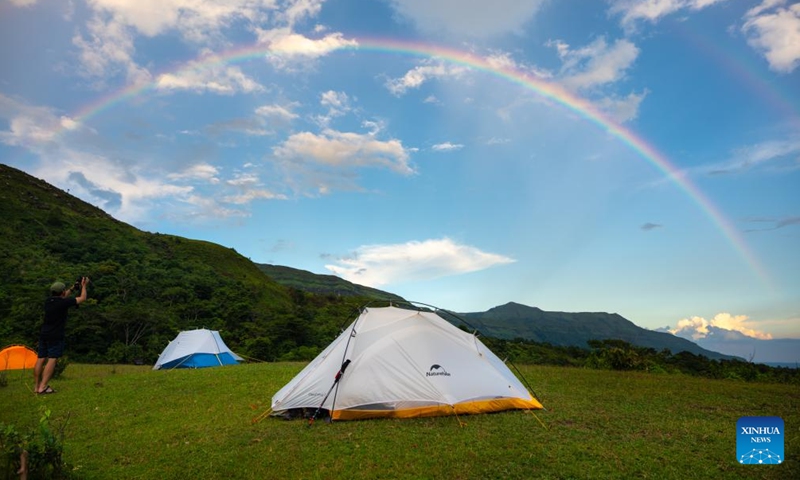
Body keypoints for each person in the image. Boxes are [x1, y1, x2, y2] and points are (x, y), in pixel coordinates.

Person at [34, 277, 89, 395]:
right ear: (62, 292)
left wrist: (73, 288)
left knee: (41, 358)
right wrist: (84, 286)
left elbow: (63, 296)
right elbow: (83, 298)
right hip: (55, 335)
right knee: (52, 359)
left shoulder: (49, 301)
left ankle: (37, 386)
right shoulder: (64, 303)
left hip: (44, 333)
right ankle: (43, 387)